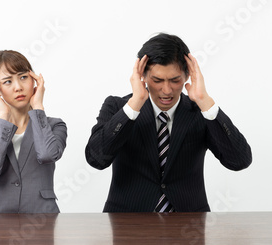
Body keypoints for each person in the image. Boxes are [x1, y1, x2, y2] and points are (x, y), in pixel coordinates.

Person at [85, 33, 252, 212]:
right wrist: (134, 105)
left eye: (175, 80)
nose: (166, 90)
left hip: (189, 225)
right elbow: (96, 159)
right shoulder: (118, 107)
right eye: (157, 80)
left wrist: (205, 102)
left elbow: (239, 161)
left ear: (188, 75)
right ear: (142, 75)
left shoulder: (200, 112)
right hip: (126, 223)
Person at [0, 50, 67, 213]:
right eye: (8, 82)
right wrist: (3, 117)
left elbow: (47, 155)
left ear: (34, 80)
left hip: (42, 217)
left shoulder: (54, 125)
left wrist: (38, 108)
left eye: (23, 77)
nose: (18, 87)